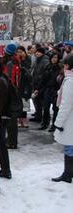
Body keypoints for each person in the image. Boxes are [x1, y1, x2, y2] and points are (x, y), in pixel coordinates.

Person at [52, 53, 73, 183]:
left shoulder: (69, 81)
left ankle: (67, 174)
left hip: (69, 120)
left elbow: (66, 104)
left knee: (69, 146)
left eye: (64, 64)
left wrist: (58, 123)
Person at [40, 53, 62, 131]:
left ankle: (54, 125)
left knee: (55, 109)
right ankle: (45, 123)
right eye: (53, 57)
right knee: (46, 107)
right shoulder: (48, 67)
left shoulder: (60, 69)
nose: (54, 59)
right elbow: (43, 79)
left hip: (55, 90)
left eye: (56, 57)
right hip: (47, 89)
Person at [15, 46, 33, 129]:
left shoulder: (28, 59)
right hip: (18, 84)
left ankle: (24, 119)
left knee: (25, 102)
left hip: (26, 84)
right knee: (18, 103)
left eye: (21, 51)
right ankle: (19, 119)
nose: (20, 53)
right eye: (18, 52)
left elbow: (30, 71)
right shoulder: (16, 60)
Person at [31, 47, 50, 123]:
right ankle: (38, 116)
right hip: (36, 83)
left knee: (42, 102)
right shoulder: (37, 60)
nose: (36, 53)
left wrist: (39, 83)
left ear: (42, 53)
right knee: (37, 101)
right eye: (36, 52)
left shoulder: (45, 61)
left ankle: (44, 118)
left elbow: (43, 74)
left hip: (42, 85)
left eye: (38, 52)